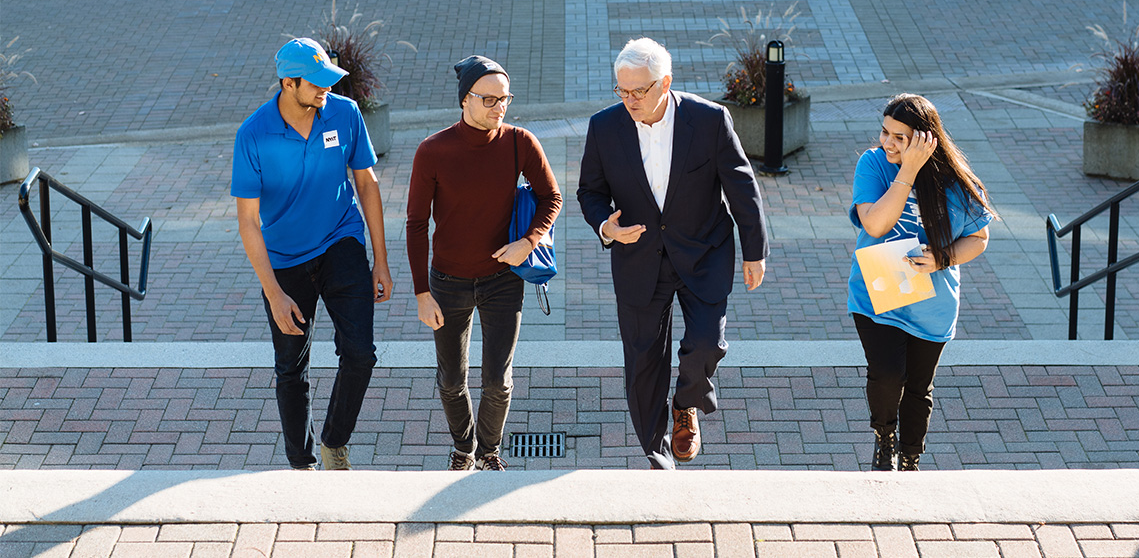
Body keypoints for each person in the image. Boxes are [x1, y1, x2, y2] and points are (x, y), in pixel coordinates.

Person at [577, 37, 768, 470]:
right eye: (621, 91)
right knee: (644, 363)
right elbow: (589, 191)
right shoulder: (604, 127)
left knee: (706, 344)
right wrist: (606, 226)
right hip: (638, 260)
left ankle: (686, 402)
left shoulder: (710, 120)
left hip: (704, 253)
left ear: (665, 82)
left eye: (638, 91)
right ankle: (656, 454)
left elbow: (742, 188)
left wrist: (754, 252)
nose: (629, 100)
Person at [232, 37, 391, 471]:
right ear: (288, 83)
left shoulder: (345, 113)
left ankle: (334, 442)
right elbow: (248, 221)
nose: (326, 89)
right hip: (285, 261)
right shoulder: (254, 135)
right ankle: (301, 465)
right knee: (291, 367)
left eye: (329, 80)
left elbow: (367, 184)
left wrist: (380, 258)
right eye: (316, 83)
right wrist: (273, 293)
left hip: (341, 242)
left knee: (360, 354)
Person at [406, 55, 562, 472]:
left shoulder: (520, 142)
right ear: (465, 100)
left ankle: (490, 451)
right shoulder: (433, 151)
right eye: (489, 99)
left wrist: (528, 242)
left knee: (497, 380)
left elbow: (552, 197)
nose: (499, 107)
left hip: (502, 280)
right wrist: (422, 293)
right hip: (447, 282)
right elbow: (416, 224)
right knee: (452, 381)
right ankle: (463, 449)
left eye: (504, 99)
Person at [848, 93, 997, 471]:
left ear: (924, 138)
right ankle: (885, 435)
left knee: (917, 388)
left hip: (932, 303)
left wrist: (943, 257)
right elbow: (876, 224)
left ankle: (911, 458)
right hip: (877, 294)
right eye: (885, 132)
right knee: (887, 375)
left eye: (900, 137)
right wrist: (907, 172)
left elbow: (978, 239)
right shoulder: (873, 165)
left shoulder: (956, 182)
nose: (887, 143)